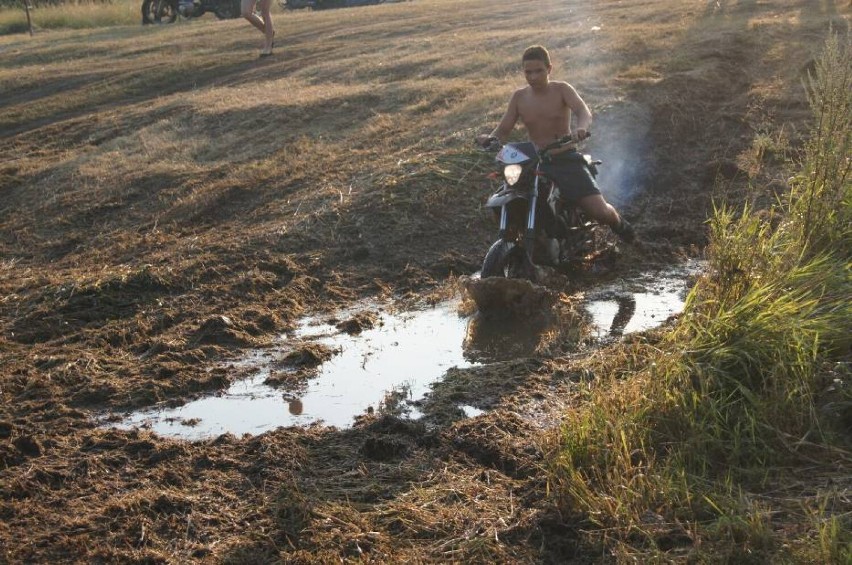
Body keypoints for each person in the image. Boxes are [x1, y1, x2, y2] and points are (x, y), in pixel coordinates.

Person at [477, 45, 635, 243]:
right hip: (535, 162)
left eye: (539, 71)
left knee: (599, 211)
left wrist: (582, 128)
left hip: (565, 159)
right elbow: (503, 129)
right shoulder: (519, 97)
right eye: (528, 72)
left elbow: (583, 111)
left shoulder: (562, 89)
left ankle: (622, 226)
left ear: (549, 69)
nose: (533, 76)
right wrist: (490, 140)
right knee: (510, 194)